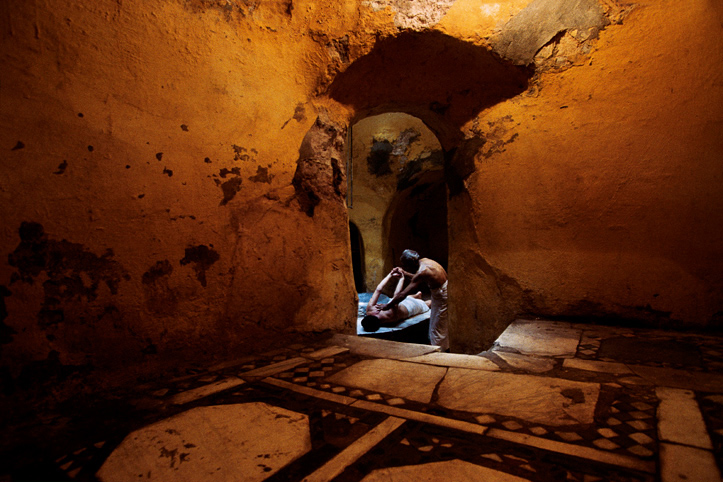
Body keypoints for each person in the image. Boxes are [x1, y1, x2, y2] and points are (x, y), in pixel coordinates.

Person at [382, 249, 448, 350]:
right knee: (438, 322)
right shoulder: (425, 261)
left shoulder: (422, 271)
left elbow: (403, 294)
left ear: (411, 264)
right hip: (441, 291)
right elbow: (417, 278)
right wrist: (404, 273)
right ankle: (440, 346)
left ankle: (440, 351)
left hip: (442, 295)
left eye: (406, 266)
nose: (406, 267)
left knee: (438, 326)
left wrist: (388, 305)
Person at [361, 269, 431, 332]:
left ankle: (417, 295)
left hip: (401, 303)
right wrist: (401, 279)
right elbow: (396, 296)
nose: (376, 312)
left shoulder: (370, 310)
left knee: (408, 298)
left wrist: (390, 274)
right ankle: (418, 297)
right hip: (410, 307)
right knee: (427, 303)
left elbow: (379, 290)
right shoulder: (388, 316)